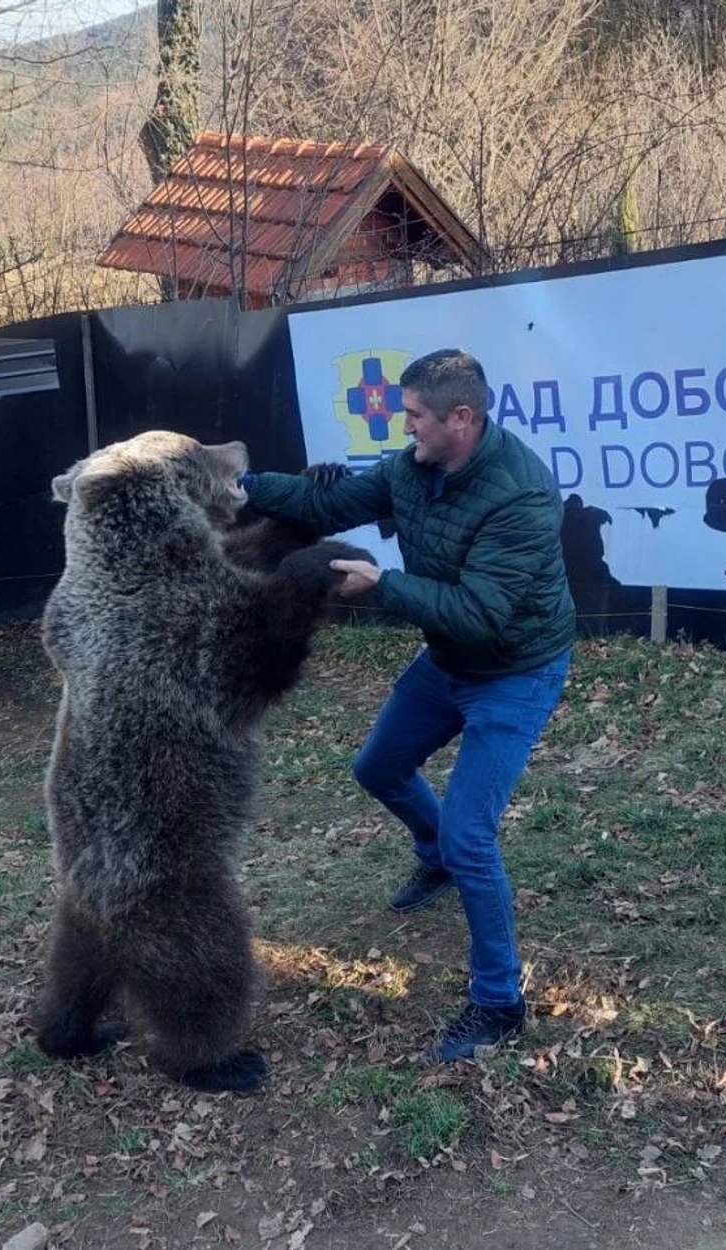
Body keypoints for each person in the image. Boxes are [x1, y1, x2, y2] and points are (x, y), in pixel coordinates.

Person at [241, 349, 576, 1062]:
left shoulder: (520, 496)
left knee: (472, 836)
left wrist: (384, 586)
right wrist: (241, 485)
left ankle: (498, 1002)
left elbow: (482, 613)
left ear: (462, 417)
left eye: (416, 415)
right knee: (378, 769)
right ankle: (435, 856)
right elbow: (327, 504)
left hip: (514, 671)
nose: (405, 425)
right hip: (448, 661)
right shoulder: (414, 466)